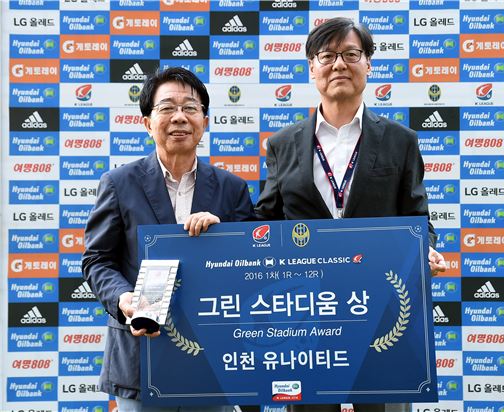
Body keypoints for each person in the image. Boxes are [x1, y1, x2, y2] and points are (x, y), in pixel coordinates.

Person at [255, 17, 446, 412]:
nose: (339, 64)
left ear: (368, 64)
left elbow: (417, 219)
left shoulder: (400, 140)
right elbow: (266, 222)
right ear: (312, 67)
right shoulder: (282, 144)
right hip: (308, 317)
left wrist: (424, 250)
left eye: (350, 54)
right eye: (327, 56)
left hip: (381, 311)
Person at [82, 67, 255, 412]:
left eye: (190, 108)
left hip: (211, 357)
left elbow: (251, 266)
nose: (179, 117)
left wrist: (224, 236)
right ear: (147, 123)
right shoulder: (119, 183)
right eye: (167, 108)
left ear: (204, 121)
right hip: (139, 358)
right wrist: (125, 299)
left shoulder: (232, 189)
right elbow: (97, 259)